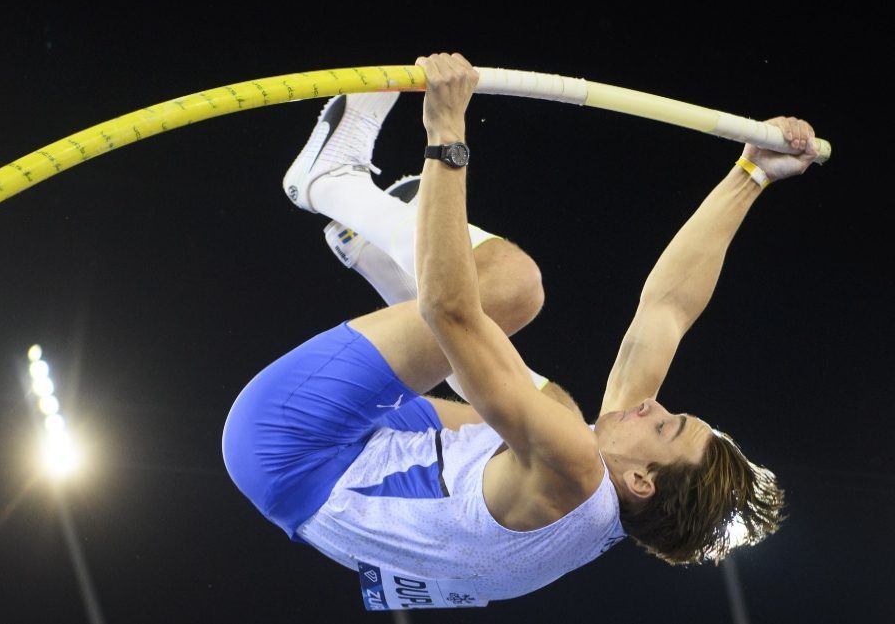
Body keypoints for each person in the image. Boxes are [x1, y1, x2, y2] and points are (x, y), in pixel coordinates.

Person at [223, 53, 815, 610]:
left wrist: (446, 129)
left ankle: (331, 181)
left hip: (289, 452)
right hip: (379, 480)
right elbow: (668, 310)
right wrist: (751, 175)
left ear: (640, 481)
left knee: (509, 287)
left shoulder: (575, 471)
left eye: (665, 426)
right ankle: (388, 248)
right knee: (548, 407)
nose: (653, 406)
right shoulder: (615, 491)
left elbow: (450, 311)